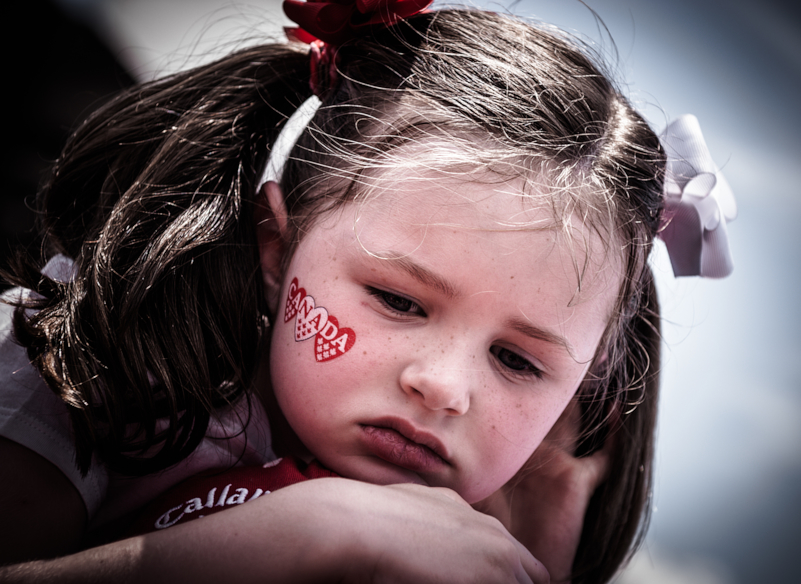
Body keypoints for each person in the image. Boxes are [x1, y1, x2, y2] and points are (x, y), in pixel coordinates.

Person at [0, 1, 735, 583]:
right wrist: (304, 537)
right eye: (399, 300)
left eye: (517, 360)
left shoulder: (493, 540)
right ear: (276, 244)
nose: (441, 387)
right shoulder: (84, 371)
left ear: (584, 390)